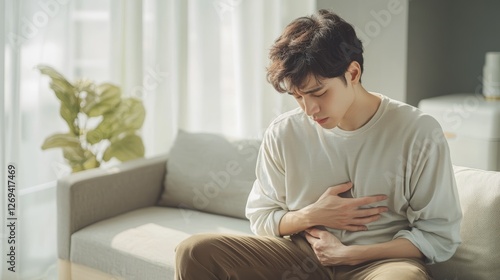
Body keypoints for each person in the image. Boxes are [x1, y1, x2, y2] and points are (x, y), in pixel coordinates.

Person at [175, 9, 462, 280]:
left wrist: (349, 254)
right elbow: (262, 217)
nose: (309, 109)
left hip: (380, 263)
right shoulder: (283, 132)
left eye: (318, 93)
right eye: (298, 97)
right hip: (302, 256)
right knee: (195, 251)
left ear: (352, 73)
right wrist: (311, 215)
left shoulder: (418, 131)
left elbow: (438, 236)